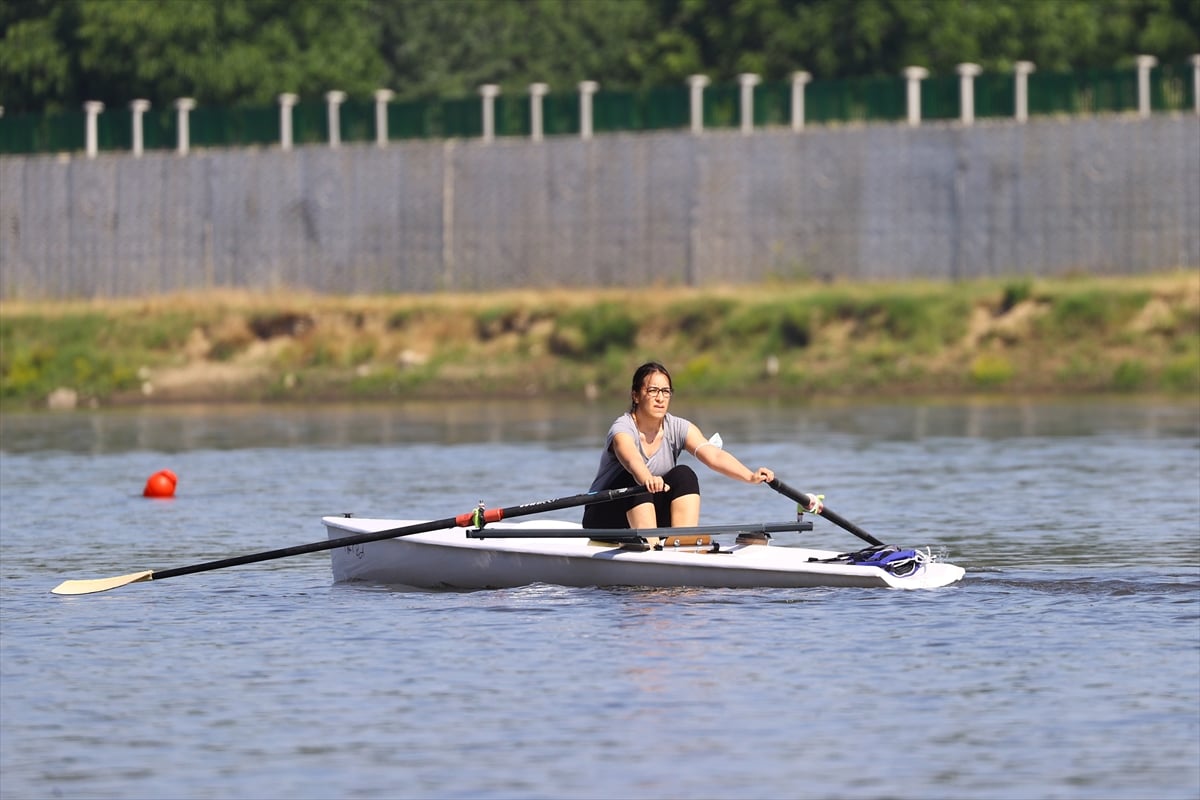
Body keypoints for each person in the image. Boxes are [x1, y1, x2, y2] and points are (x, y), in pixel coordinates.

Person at [582, 361, 822, 537]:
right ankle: (651, 548)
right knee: (638, 480)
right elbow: (632, 460)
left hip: (648, 512)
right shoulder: (622, 429)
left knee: (684, 474)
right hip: (605, 517)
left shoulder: (678, 427)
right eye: (652, 391)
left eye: (665, 391)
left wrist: (749, 476)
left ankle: (683, 541)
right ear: (636, 395)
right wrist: (647, 478)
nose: (660, 398)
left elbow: (713, 455)